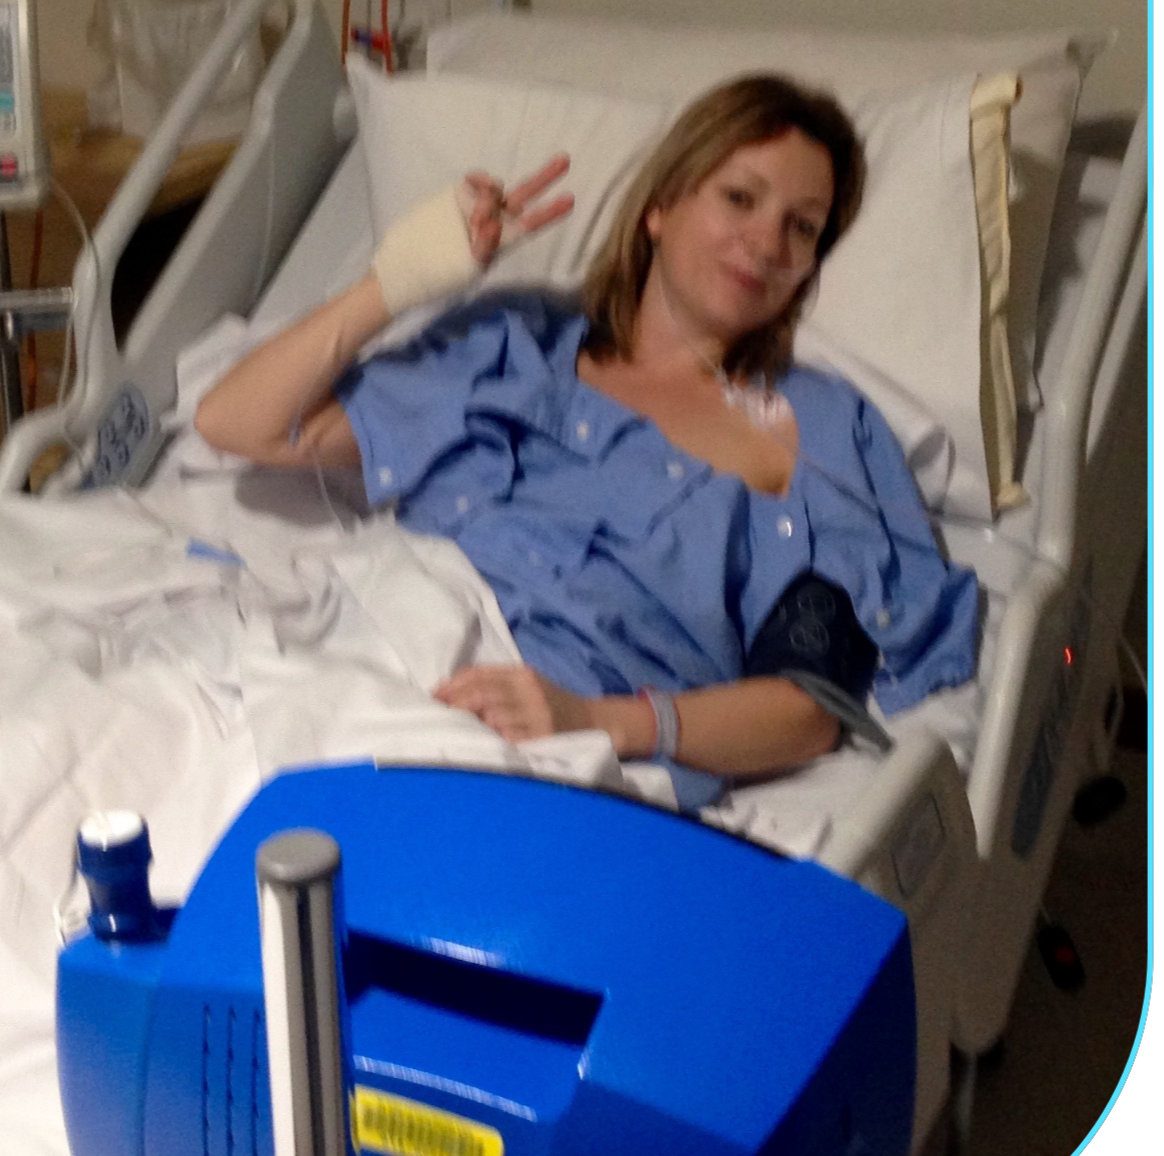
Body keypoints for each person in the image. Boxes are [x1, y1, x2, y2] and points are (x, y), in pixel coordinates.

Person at [194, 75, 978, 808]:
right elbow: (237, 423)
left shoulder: (814, 427)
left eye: (801, 228)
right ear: (660, 207)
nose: (768, 242)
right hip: (376, 635)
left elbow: (807, 710)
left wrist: (601, 719)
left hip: (540, 733)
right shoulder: (515, 344)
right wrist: (398, 280)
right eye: (740, 198)